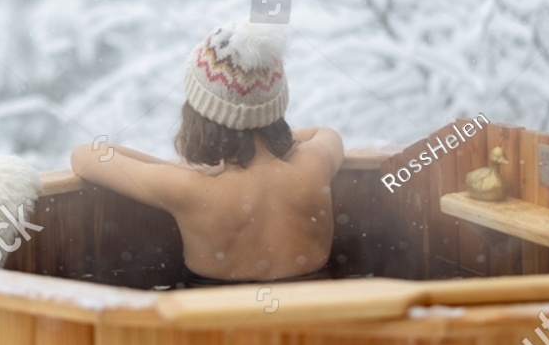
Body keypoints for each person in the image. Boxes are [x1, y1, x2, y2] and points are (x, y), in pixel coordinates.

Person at [70, 19, 344, 284]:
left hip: (215, 315)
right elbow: (325, 133)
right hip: (311, 312)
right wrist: (267, 133)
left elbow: (85, 156)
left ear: (200, 114)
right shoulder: (315, 165)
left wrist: (180, 168)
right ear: (276, 107)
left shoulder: (190, 188)